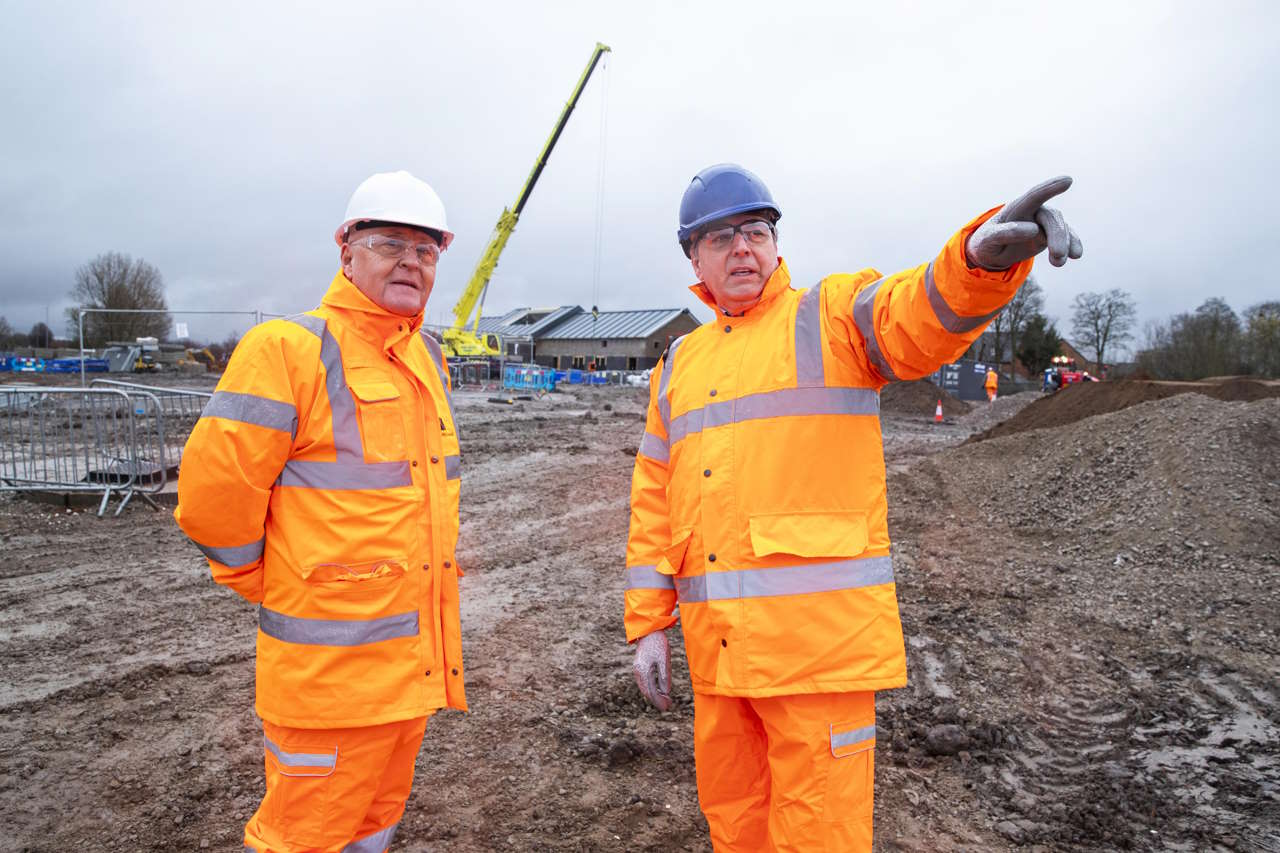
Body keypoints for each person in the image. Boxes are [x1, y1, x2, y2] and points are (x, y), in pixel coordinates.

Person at [625, 164, 1081, 851]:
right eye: (720, 238)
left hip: (817, 662)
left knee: (819, 839)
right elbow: (654, 496)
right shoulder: (680, 362)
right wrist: (649, 626)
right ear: (693, 256)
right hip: (720, 664)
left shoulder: (830, 315)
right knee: (735, 828)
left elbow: (913, 313)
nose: (742, 248)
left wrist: (974, 263)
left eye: (755, 230)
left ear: (776, 243)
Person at [175, 170, 466, 852]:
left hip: (410, 674)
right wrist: (268, 577)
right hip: (330, 683)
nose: (411, 262)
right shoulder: (288, 349)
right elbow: (212, 498)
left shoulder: (426, 357)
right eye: (390, 243)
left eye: (426, 251)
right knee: (300, 838)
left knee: (374, 830)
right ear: (346, 252)